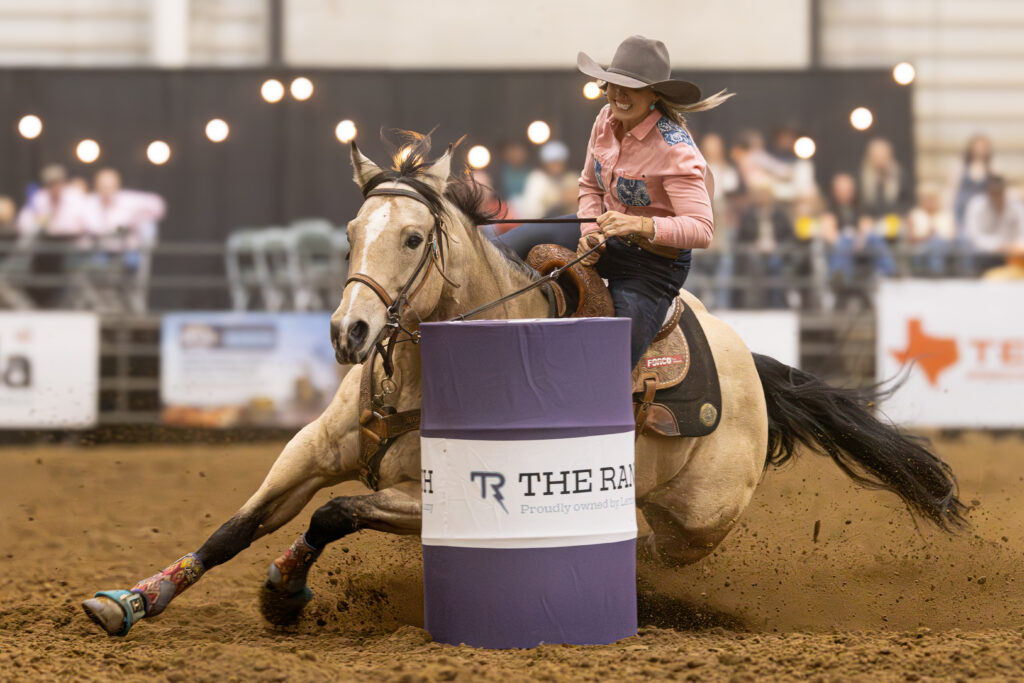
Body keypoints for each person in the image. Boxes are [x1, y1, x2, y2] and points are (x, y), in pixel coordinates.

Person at [492, 35, 731, 366]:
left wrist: (639, 224)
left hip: (653, 266)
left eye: (631, 87)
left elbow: (702, 229)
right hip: (605, 238)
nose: (618, 94)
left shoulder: (676, 150)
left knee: (610, 364)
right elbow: (589, 184)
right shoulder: (605, 120)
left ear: (654, 95)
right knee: (496, 252)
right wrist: (591, 230)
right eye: (613, 83)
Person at [963, 175, 1024, 271]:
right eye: (994, 193)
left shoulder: (1016, 204)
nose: (997, 197)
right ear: (988, 192)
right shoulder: (976, 205)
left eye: (999, 193)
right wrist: (998, 245)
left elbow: (1022, 231)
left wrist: (1016, 245)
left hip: (1015, 255)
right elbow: (973, 236)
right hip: (985, 256)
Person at [514, 140, 579, 218]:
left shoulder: (570, 178)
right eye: (553, 162)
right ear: (544, 163)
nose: (556, 166)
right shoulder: (537, 179)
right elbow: (533, 211)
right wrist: (561, 197)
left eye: (559, 162)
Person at [906, 183, 956, 277]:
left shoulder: (946, 215)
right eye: (927, 198)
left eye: (932, 198)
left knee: (937, 243)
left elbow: (953, 237)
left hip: (944, 249)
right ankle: (934, 275)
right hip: (920, 249)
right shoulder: (915, 214)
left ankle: (936, 275)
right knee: (932, 244)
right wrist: (928, 235)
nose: (930, 201)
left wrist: (937, 237)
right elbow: (911, 238)